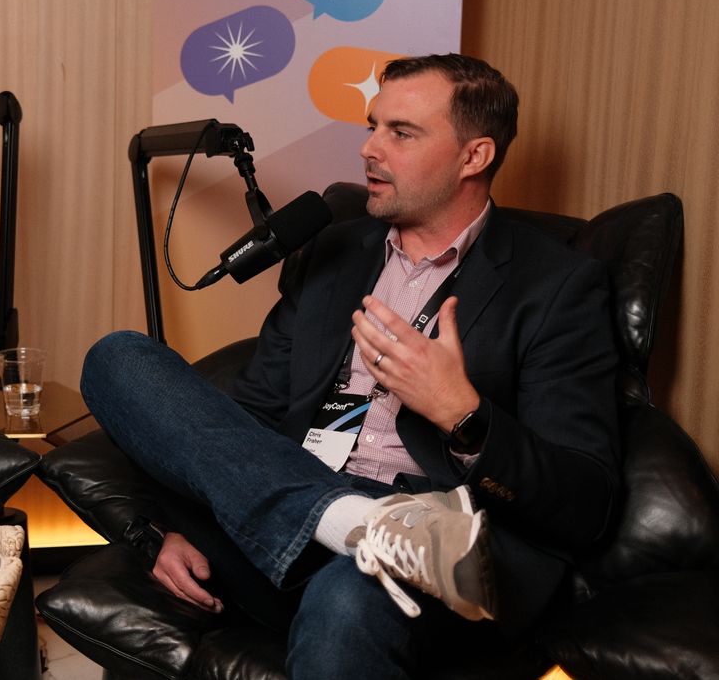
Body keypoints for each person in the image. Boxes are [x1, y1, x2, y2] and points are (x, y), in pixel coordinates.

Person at [81, 53, 620, 678]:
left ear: (475, 156)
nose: (369, 149)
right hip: (289, 516)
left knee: (352, 588)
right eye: (372, 126)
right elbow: (249, 416)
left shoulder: (556, 285)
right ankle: (356, 524)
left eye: (401, 132)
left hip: (441, 551)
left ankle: (372, 534)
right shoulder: (334, 249)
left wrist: (461, 415)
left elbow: (586, 502)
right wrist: (180, 525)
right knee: (117, 357)